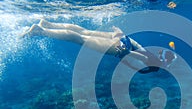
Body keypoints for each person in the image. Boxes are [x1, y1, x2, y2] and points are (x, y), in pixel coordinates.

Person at [24, 19, 176, 73]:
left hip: (124, 41)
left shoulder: (155, 59)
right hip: (119, 48)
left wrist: (122, 35)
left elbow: (139, 49)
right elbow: (136, 55)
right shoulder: (155, 63)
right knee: (80, 39)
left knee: (84, 32)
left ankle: (48, 24)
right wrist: (123, 48)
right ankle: (41, 31)